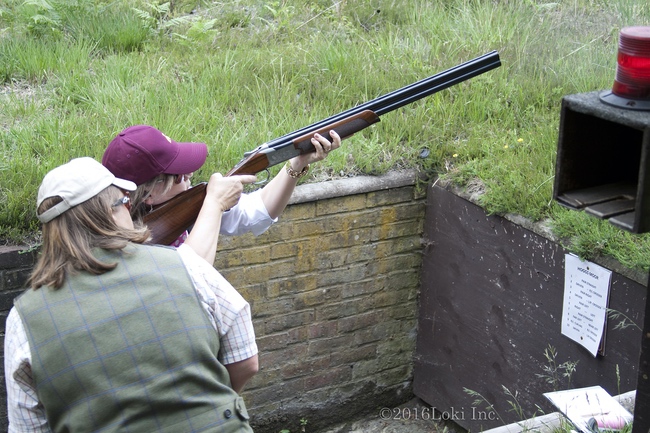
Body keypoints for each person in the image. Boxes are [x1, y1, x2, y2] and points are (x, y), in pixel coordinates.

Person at [4, 157, 258, 432]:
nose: (131, 209)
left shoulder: (23, 320)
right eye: (125, 202)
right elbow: (245, 359)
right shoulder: (186, 265)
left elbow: (29, 426)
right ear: (108, 213)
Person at [101, 125, 341, 263]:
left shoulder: (179, 207)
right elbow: (193, 275)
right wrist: (214, 203)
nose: (190, 174)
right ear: (148, 195)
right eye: (179, 174)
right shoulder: (120, 247)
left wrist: (296, 164)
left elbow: (258, 212)